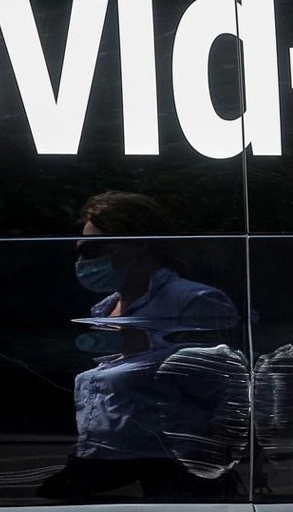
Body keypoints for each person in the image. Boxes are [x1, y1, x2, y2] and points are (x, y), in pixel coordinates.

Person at [37, 190, 247, 501]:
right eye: (79, 253)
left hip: (168, 470)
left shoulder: (192, 301)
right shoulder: (103, 311)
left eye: (93, 250)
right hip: (107, 459)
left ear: (137, 243)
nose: (82, 261)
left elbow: (231, 388)